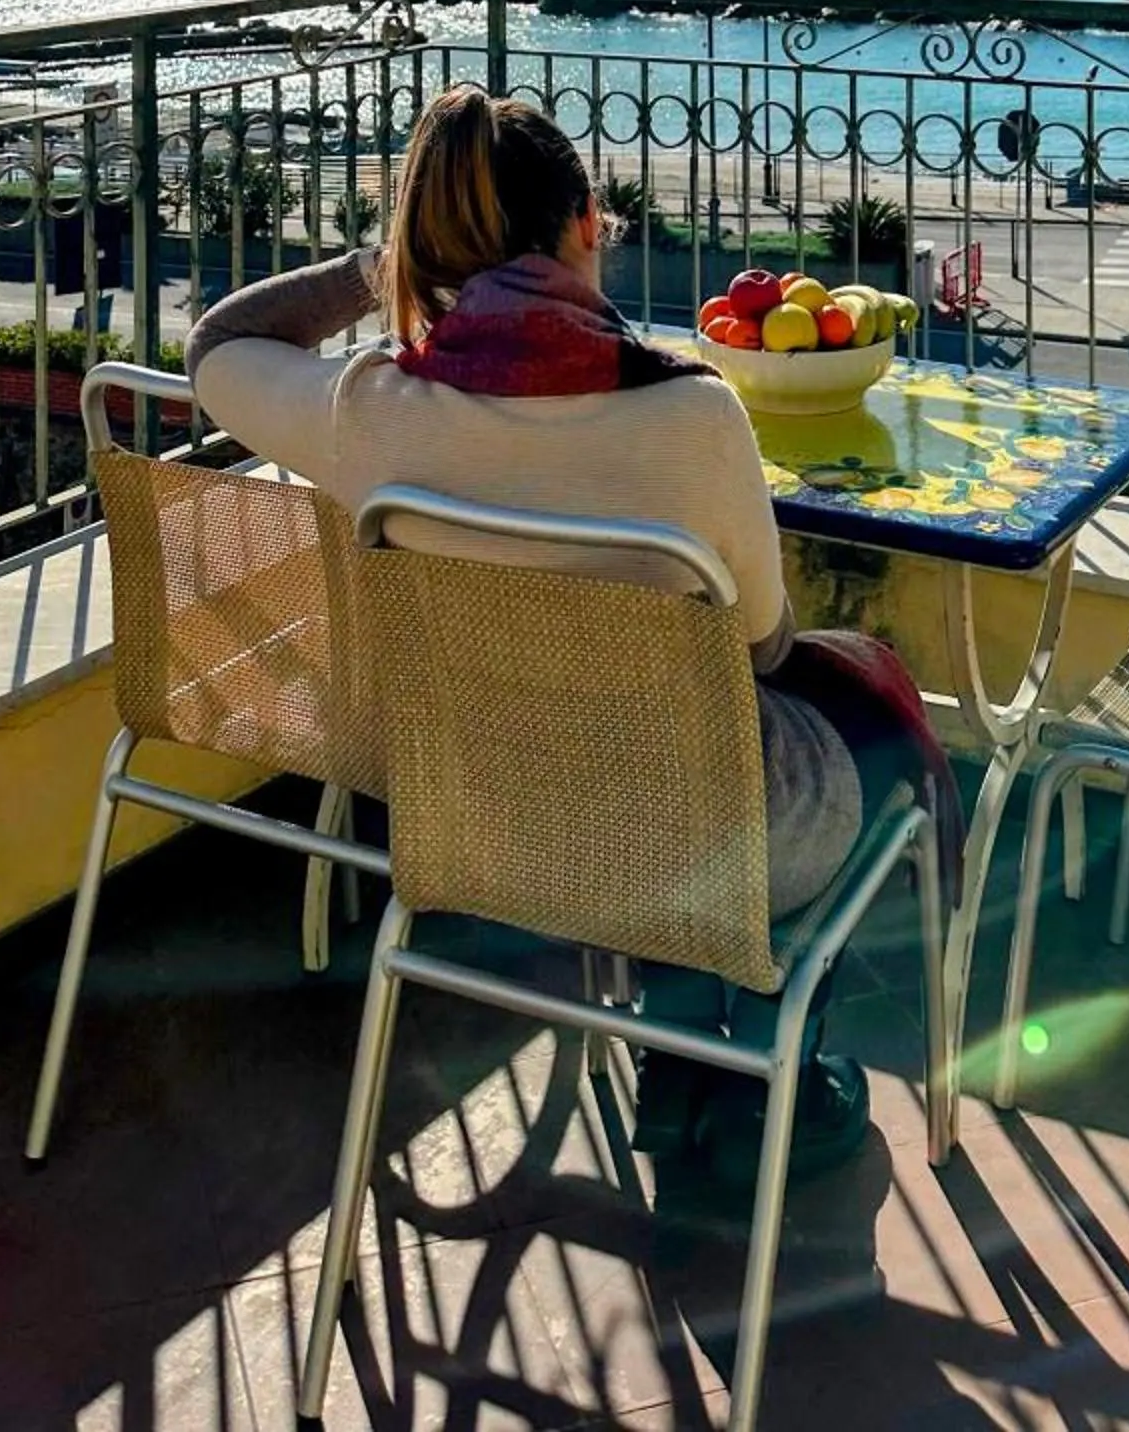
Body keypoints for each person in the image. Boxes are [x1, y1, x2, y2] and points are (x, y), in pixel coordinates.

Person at [188, 82, 953, 1186]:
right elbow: (764, 646)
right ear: (588, 224)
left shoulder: (372, 416)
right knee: (838, 735)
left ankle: (686, 1076)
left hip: (479, 818)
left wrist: (385, 265)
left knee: (666, 767)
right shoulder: (691, 416)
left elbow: (220, 344)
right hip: (688, 833)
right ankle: (743, 1075)